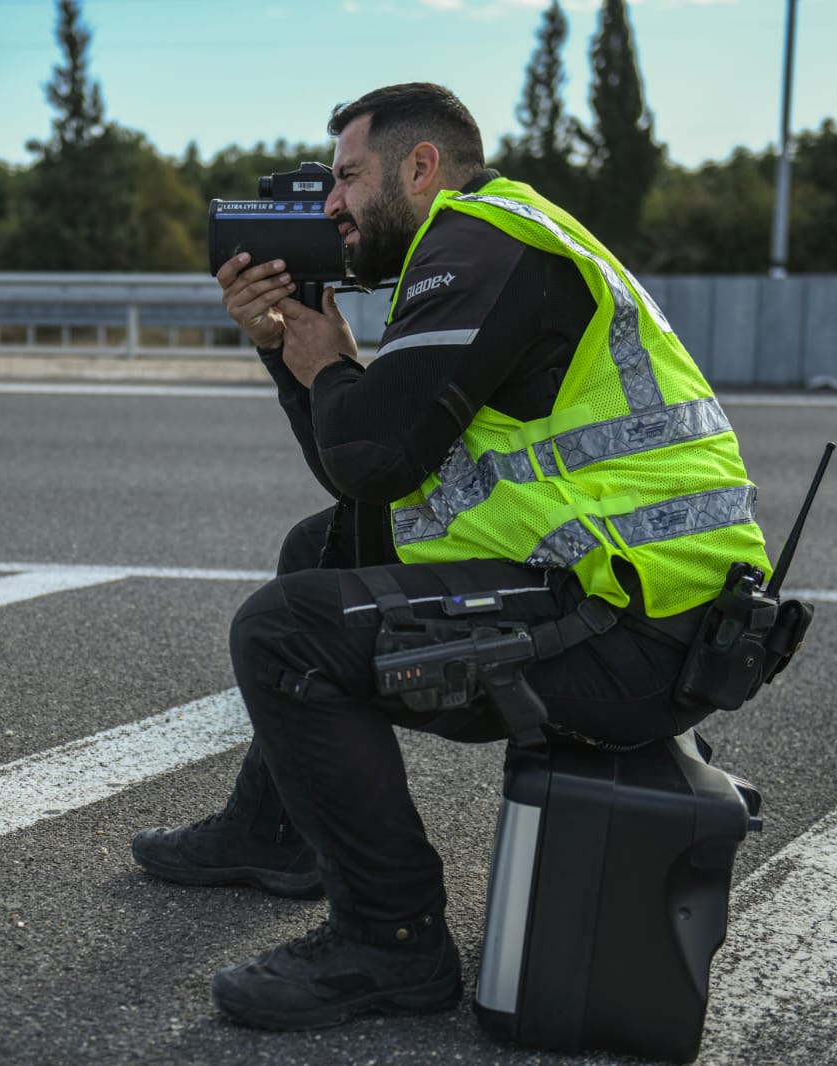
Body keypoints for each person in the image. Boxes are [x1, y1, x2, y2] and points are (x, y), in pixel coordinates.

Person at [131, 82, 771, 1032]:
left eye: (347, 178)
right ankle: (269, 836)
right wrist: (289, 352)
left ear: (420, 167)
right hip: (644, 604)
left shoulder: (476, 239)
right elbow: (365, 487)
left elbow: (377, 453)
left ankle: (390, 945)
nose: (331, 207)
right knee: (322, 552)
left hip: (635, 628)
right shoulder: (494, 239)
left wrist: (329, 363)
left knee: (284, 634)